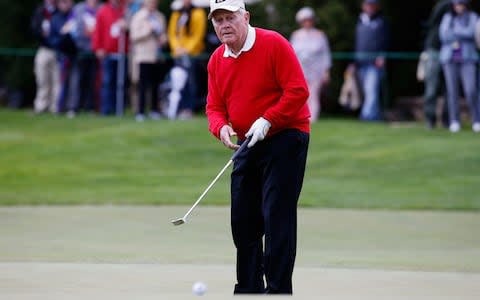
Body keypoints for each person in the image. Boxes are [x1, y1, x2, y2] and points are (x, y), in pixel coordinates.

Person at [206, 0, 310, 294]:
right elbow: (214, 106)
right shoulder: (217, 59)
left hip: (287, 135)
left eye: (230, 18)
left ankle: (277, 290)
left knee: (276, 214)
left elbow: (298, 90)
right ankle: (249, 288)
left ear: (246, 17)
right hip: (247, 141)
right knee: (242, 218)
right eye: (218, 20)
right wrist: (221, 127)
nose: (224, 25)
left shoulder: (273, 43)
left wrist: (268, 119)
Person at [439, 0, 480, 132]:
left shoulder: (473, 17)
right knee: (452, 91)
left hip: (468, 58)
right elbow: (443, 35)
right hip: (450, 59)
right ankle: (454, 121)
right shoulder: (448, 17)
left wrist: (455, 31)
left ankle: (477, 120)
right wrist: (462, 32)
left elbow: (472, 33)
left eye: (461, 3)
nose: (459, 6)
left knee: (471, 90)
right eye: (456, 4)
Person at [290, 7, 332, 122]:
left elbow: (325, 54)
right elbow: (292, 54)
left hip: (316, 71)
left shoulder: (320, 35)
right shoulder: (296, 35)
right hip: (301, 70)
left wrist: (326, 72)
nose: (307, 22)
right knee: (302, 94)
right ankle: (302, 116)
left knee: (313, 94)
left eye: (309, 20)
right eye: (305, 20)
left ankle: (312, 117)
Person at [167, 0, 207, 119]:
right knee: (179, 83)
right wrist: (177, 48)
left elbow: (198, 35)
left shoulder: (198, 13)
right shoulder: (177, 14)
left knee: (191, 82)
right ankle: (179, 108)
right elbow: (172, 33)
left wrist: (187, 49)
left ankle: (190, 108)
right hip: (178, 53)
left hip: (192, 54)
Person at [129, 0, 168, 121]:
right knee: (142, 85)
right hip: (143, 56)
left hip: (156, 56)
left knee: (155, 84)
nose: (153, 5)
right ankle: (140, 111)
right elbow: (134, 36)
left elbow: (163, 34)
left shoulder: (160, 17)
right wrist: (148, 30)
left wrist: (163, 39)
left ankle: (154, 110)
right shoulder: (138, 16)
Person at [92, 0, 129, 115]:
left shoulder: (125, 10)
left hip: (122, 53)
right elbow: (98, 30)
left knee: (121, 82)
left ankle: (119, 108)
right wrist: (98, 47)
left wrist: (126, 26)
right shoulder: (103, 11)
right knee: (107, 81)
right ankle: (106, 109)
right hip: (108, 53)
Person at [354, 0, 389, 121]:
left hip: (375, 62)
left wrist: (382, 56)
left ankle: (366, 116)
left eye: (373, 5)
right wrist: (353, 62)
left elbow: (386, 41)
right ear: (363, 6)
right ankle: (375, 116)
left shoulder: (381, 22)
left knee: (371, 89)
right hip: (360, 62)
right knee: (367, 91)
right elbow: (357, 44)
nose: (370, 7)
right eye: (368, 5)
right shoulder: (359, 21)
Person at [67, 0, 102, 117]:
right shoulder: (78, 9)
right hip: (79, 50)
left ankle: (90, 107)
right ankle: (73, 107)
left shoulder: (101, 8)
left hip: (95, 51)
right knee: (76, 79)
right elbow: (71, 26)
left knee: (92, 80)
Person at [420, 0, 451, 129]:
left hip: (450, 52)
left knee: (450, 88)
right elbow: (432, 22)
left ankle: (447, 119)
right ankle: (430, 119)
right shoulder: (443, 6)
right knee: (431, 88)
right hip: (434, 51)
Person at [48, 0, 78, 114]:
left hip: (74, 55)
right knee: (60, 82)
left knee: (74, 82)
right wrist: (63, 34)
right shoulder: (55, 18)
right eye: (63, 2)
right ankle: (59, 107)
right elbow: (52, 39)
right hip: (61, 55)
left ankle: (71, 107)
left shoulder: (74, 16)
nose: (66, 5)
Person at [31, 0, 60, 114]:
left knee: (56, 81)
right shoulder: (40, 11)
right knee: (42, 79)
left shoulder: (59, 11)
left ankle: (55, 107)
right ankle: (41, 106)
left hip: (57, 50)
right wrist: (41, 32)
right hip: (44, 48)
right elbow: (34, 28)